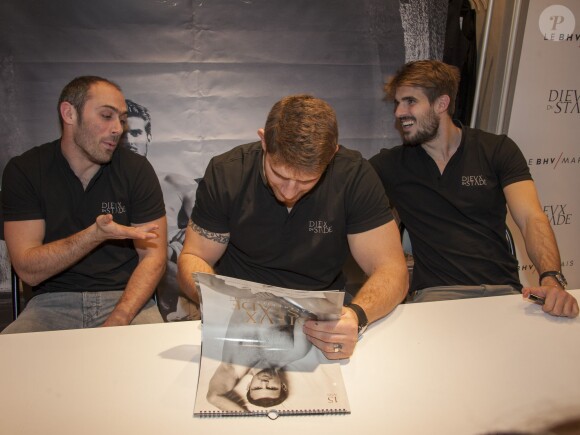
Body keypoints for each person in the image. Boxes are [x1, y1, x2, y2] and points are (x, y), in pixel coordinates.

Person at [178, 94, 409, 360]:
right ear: (264, 140)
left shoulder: (354, 176)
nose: (289, 192)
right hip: (239, 312)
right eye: (280, 174)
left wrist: (356, 316)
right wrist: (218, 303)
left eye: (307, 181)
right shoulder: (227, 173)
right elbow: (194, 256)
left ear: (332, 154)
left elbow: (392, 269)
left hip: (320, 321)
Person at [369, 60, 578, 318]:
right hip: (436, 299)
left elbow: (531, 218)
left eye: (410, 101)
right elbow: (345, 189)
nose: (399, 112)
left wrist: (550, 279)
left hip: (505, 293)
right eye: (397, 103)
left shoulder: (496, 150)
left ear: (441, 104)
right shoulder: (391, 165)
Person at [1, 76, 168, 333]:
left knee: (158, 368)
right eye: (106, 116)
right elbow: (28, 270)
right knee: (10, 366)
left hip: (126, 300)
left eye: (121, 120)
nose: (117, 129)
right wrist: (94, 235)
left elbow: (153, 256)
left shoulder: (136, 169)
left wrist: (120, 318)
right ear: (69, 113)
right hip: (49, 305)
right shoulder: (26, 170)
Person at [122, 99, 200, 321]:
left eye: (135, 133)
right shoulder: (100, 189)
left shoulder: (176, 183)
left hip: (169, 278)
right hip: (117, 278)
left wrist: (172, 247)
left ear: (148, 137)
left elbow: (206, 235)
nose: (129, 141)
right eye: (123, 134)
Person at [203, 275, 320, 411]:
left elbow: (213, 397)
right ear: (283, 386)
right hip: (282, 287)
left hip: (244, 288)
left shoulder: (233, 367)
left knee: (207, 279)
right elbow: (307, 315)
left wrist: (249, 423)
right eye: (271, 387)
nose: (264, 383)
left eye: (257, 387)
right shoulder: (295, 352)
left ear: (248, 386)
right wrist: (280, 295)